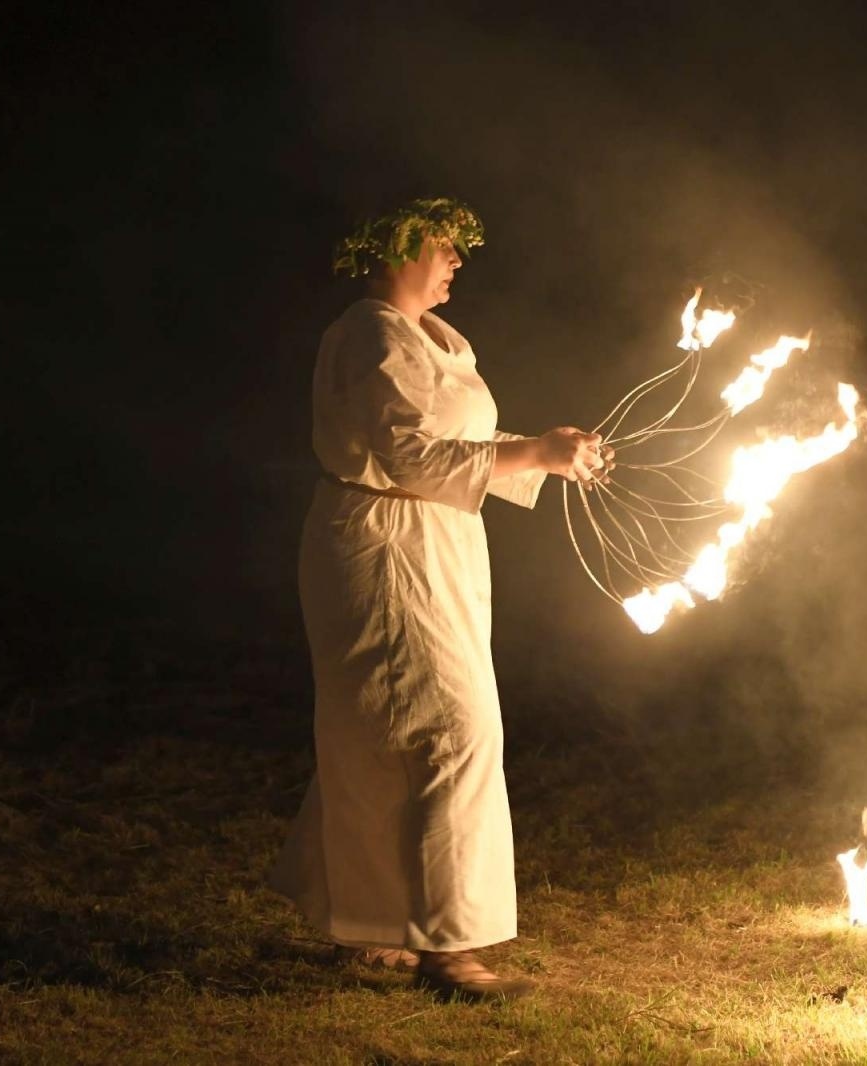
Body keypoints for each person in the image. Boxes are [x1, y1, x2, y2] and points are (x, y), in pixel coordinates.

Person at [270, 196, 610, 999]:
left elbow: (454, 444)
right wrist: (531, 451)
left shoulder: (440, 338)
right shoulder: (368, 333)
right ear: (398, 249)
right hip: (385, 543)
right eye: (445, 247)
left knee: (383, 727)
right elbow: (409, 452)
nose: (458, 261)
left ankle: (370, 921)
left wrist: (546, 457)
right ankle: (448, 948)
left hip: (438, 542)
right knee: (447, 726)